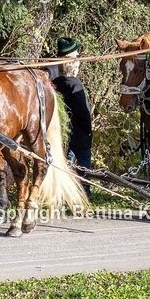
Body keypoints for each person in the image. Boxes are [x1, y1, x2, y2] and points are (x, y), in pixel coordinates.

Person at [52, 37, 94, 195]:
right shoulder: (75, 85)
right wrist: (88, 128)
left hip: (62, 133)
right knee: (83, 163)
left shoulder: (55, 82)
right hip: (79, 133)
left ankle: (63, 191)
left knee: (65, 162)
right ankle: (85, 192)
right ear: (73, 64)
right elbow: (83, 111)